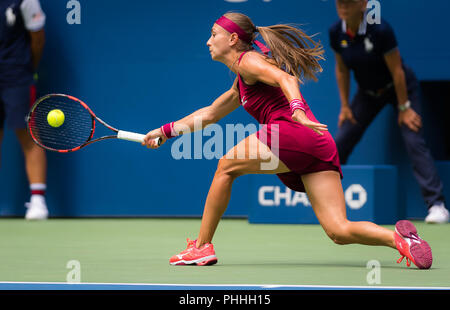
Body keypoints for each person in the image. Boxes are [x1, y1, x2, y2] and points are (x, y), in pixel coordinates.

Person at [143, 12, 433, 269]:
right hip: (318, 142)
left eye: (214, 34)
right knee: (339, 231)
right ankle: (400, 239)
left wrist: (296, 110)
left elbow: (287, 80)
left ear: (233, 39)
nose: (208, 41)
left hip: (292, 131)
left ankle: (201, 246)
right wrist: (165, 131)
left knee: (225, 166)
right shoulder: (242, 77)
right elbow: (210, 113)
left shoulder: (249, 61)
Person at [329, 0, 449, 223]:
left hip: (400, 89)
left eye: (349, 1)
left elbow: (397, 71)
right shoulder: (336, 32)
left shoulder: (380, 29)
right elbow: (342, 69)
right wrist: (345, 106)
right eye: (340, 1)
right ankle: (324, 198)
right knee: (342, 139)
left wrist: (404, 108)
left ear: (363, 3)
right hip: (367, 94)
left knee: (413, 140)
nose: (343, 5)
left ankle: (437, 205)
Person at [0, 0, 48, 220]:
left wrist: (28, 69)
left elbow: (37, 38)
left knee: (28, 134)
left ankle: (38, 201)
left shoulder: (26, 1)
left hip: (17, 74)